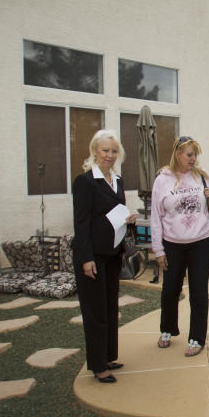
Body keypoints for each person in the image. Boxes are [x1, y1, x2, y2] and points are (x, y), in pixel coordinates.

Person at [150, 135, 209, 357]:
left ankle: (197, 338)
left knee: (199, 291)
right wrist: (158, 250)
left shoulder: (202, 176)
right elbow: (156, 216)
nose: (194, 159)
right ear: (178, 155)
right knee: (170, 290)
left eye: (195, 155)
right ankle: (167, 330)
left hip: (202, 243)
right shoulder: (162, 180)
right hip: (173, 245)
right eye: (190, 155)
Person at [72, 129, 137, 383]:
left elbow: (114, 213)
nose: (110, 155)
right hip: (92, 257)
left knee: (110, 308)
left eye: (113, 151)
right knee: (95, 311)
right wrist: (86, 258)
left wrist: (128, 218)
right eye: (105, 151)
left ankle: (108, 356)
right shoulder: (85, 182)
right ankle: (98, 365)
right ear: (94, 152)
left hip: (112, 254)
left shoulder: (117, 180)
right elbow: (81, 223)